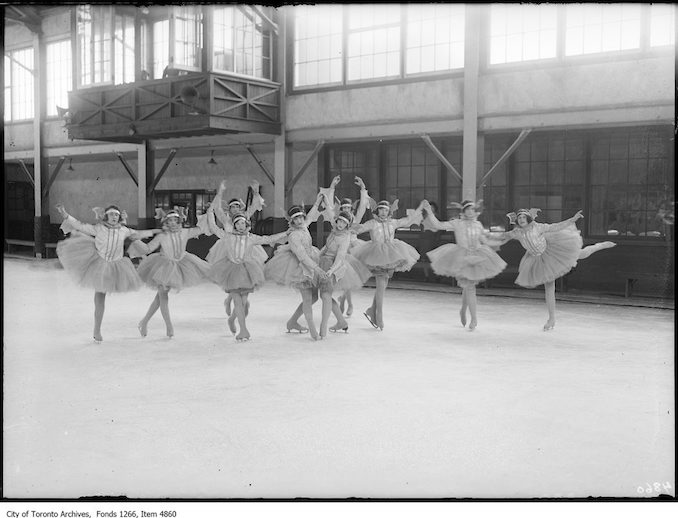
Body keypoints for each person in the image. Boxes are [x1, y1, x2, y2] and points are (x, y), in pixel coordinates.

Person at [492, 208, 616, 331]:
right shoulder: (518, 232)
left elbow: (557, 226)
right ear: (517, 221)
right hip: (536, 259)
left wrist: (573, 219)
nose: (522, 219)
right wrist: (486, 239)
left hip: (551, 252)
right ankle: (551, 319)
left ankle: (598, 246)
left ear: (529, 218)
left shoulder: (538, 227)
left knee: (581, 254)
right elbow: (503, 236)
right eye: (519, 218)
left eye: (524, 217)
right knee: (549, 286)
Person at [55, 204, 161, 343]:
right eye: (111, 215)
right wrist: (65, 214)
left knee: (104, 293)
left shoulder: (124, 230)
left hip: (116, 265)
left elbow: (139, 233)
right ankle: (97, 329)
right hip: (99, 264)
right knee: (100, 295)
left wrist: (155, 231)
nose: (114, 217)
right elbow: (80, 226)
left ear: (119, 217)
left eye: (116, 215)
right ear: (106, 216)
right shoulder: (99, 228)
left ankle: (97, 328)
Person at [350, 179, 425, 330]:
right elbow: (359, 229)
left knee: (382, 287)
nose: (383, 212)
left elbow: (408, 220)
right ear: (376, 211)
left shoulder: (393, 222)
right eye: (380, 209)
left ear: (389, 211)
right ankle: (379, 316)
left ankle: (372, 310)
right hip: (376, 255)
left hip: (391, 254)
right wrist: (348, 226)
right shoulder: (372, 223)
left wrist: (420, 208)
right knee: (380, 286)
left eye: (385, 210)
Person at [421, 199, 507, 331]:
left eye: (472, 209)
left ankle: (464, 310)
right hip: (461, 257)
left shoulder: (478, 224)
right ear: (463, 211)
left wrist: (500, 241)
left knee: (469, 286)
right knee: (470, 286)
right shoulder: (457, 223)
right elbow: (438, 225)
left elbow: (484, 240)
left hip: (477, 256)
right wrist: (429, 211)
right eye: (467, 209)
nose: (470, 212)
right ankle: (473, 318)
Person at [205, 209, 289, 341]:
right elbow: (214, 228)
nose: (240, 226)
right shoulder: (228, 236)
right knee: (238, 301)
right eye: (237, 223)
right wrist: (210, 213)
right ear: (234, 225)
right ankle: (243, 330)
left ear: (247, 224)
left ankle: (232, 320)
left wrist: (286, 233)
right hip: (231, 270)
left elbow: (268, 238)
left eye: (242, 223)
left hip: (247, 271)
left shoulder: (251, 238)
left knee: (243, 303)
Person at [133, 208, 210, 339]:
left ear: (180, 220)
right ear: (166, 222)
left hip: (181, 264)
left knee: (159, 298)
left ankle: (144, 322)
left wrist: (210, 211)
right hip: (163, 266)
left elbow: (202, 228)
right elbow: (148, 248)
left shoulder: (185, 232)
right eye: (170, 220)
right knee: (163, 297)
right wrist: (136, 240)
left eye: (175, 220)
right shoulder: (162, 235)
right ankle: (169, 326)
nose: (173, 223)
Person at [264, 195, 328, 340]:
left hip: (311, 260)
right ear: (291, 221)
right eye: (296, 218)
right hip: (299, 267)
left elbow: (311, 216)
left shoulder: (304, 226)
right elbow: (302, 257)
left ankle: (292, 322)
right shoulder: (293, 236)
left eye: (301, 217)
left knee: (314, 298)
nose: (300, 220)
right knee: (307, 299)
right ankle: (313, 331)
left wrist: (318, 200)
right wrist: (316, 269)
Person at [206, 180, 267, 318]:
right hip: (227, 246)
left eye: (237, 207)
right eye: (232, 207)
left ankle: (230, 301)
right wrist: (220, 192)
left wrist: (256, 192)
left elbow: (255, 206)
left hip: (245, 246)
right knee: (232, 277)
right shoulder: (226, 219)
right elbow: (216, 208)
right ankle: (231, 299)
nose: (235, 209)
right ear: (229, 209)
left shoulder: (244, 217)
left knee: (245, 277)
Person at [316, 206, 372, 338]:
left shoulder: (345, 238)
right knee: (325, 295)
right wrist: (317, 256)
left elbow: (340, 258)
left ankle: (323, 329)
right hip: (324, 262)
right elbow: (326, 247)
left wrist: (331, 271)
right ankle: (341, 322)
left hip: (334, 266)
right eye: (339, 221)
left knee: (325, 296)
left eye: (344, 223)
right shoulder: (334, 232)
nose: (340, 224)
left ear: (348, 225)